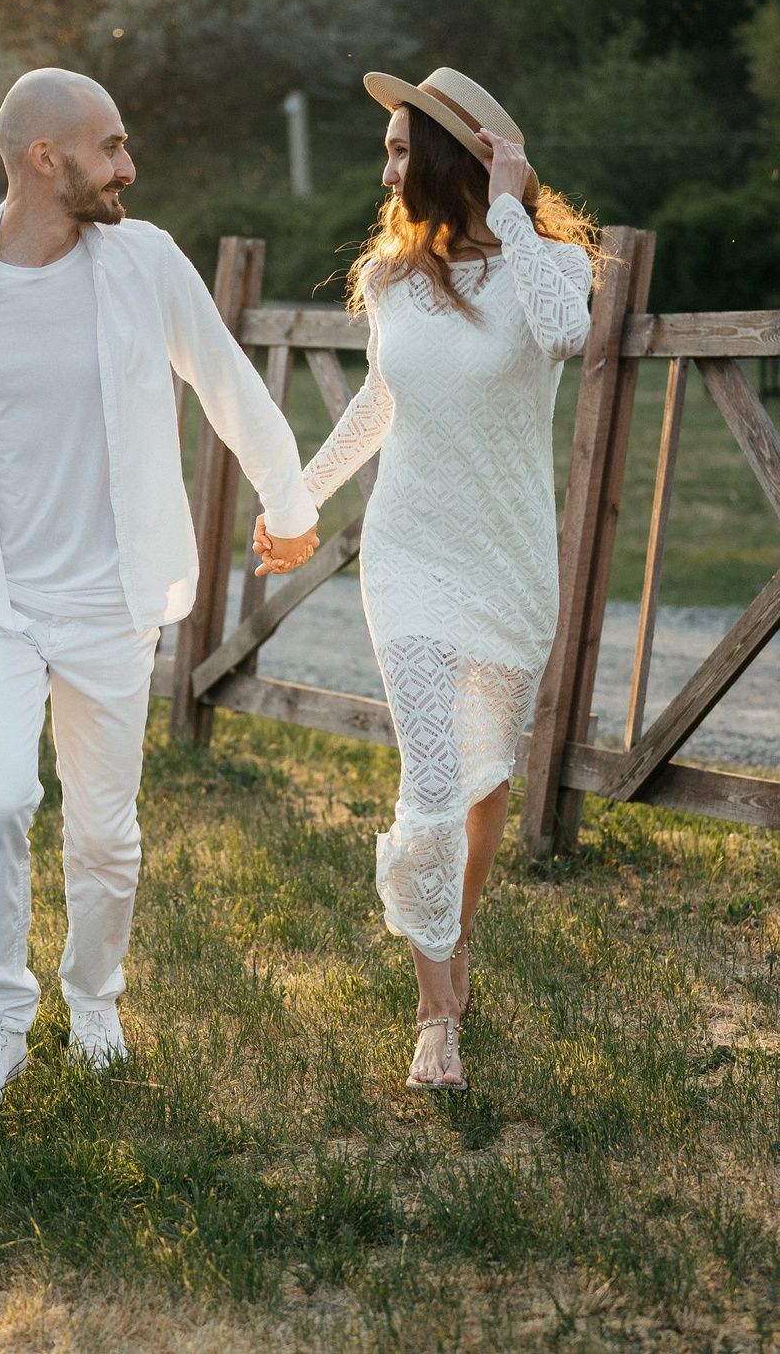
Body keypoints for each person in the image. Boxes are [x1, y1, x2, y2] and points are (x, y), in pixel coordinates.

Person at [0, 68, 320, 1109]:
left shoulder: (144, 262)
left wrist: (287, 501)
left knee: (104, 830)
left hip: (110, 597)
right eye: (109, 146)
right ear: (43, 158)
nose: (127, 166)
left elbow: (226, 378)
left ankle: (93, 999)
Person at [257, 66, 596, 1091]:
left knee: (484, 779)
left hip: (507, 562)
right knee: (435, 782)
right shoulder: (394, 277)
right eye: (388, 147)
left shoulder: (554, 267)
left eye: (405, 147)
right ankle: (435, 1014)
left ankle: (449, 940)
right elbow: (378, 402)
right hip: (408, 553)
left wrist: (511, 205)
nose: (388, 166)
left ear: (458, 155)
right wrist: (300, 500)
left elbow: (567, 334)